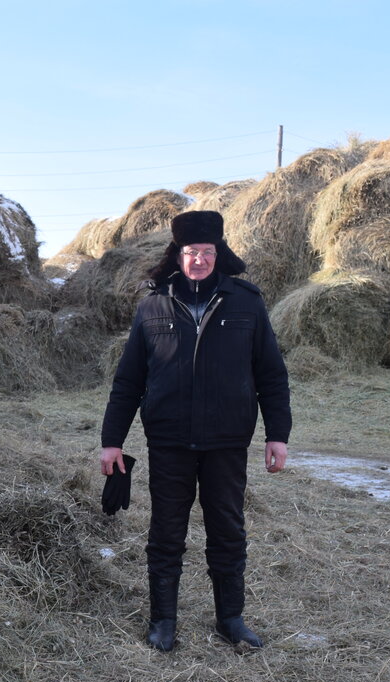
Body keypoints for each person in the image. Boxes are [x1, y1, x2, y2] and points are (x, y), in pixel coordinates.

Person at [99, 209, 290, 651]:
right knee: (166, 530)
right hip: (169, 441)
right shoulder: (152, 305)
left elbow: (271, 375)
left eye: (207, 251)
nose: (199, 260)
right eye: (191, 252)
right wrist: (112, 441)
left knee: (227, 528)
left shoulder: (247, 301)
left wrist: (277, 434)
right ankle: (163, 621)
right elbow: (128, 380)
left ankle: (231, 619)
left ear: (219, 253)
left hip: (227, 440)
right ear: (178, 255)